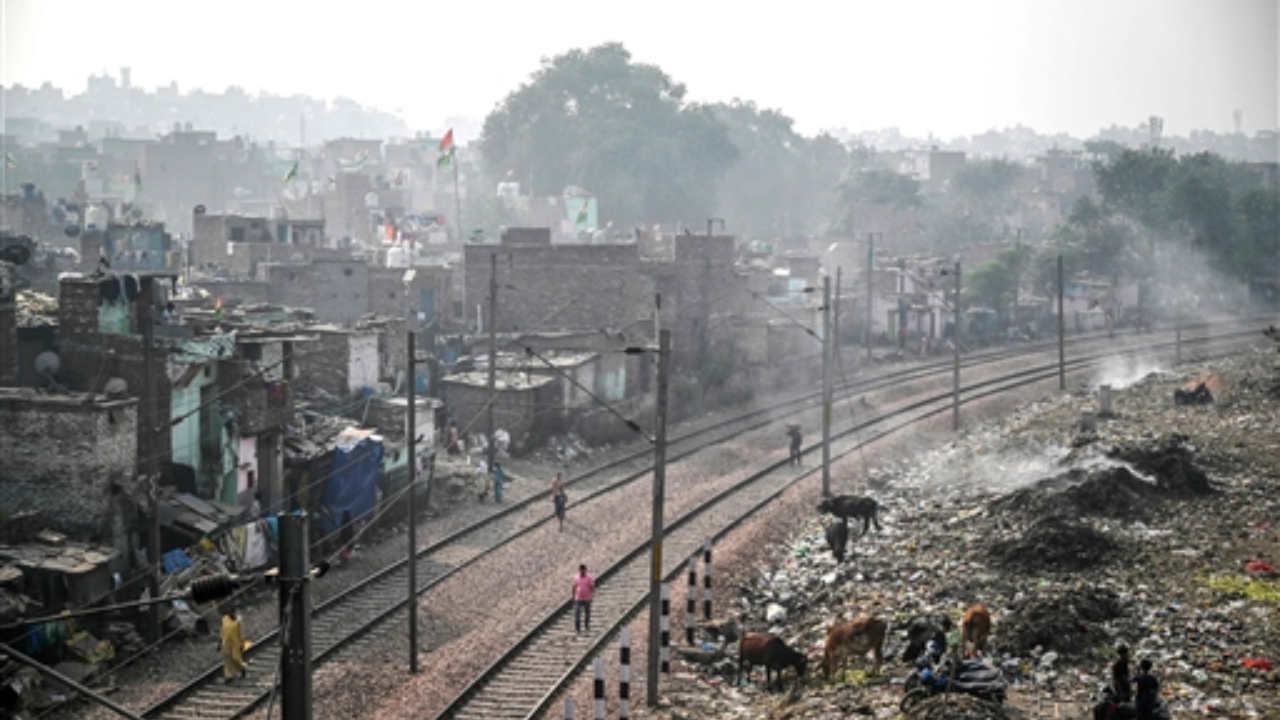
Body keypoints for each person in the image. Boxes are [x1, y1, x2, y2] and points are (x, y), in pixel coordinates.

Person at [220, 609, 248, 683]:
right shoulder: (225, 619)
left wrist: (242, 643)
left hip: (235, 643)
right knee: (227, 659)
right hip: (226, 642)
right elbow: (222, 631)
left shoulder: (238, 621)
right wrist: (220, 641)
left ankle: (242, 667)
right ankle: (229, 676)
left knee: (235, 658)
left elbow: (241, 632)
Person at [572, 564, 595, 634]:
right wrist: (573, 596)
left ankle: (587, 626)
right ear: (579, 570)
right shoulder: (576, 577)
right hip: (578, 598)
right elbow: (574, 587)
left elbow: (592, 588)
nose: (582, 572)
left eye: (583, 570)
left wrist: (591, 596)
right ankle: (577, 629)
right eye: (581, 570)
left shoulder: (589, 578)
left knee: (587, 614)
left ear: (585, 570)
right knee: (577, 614)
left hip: (587, 598)